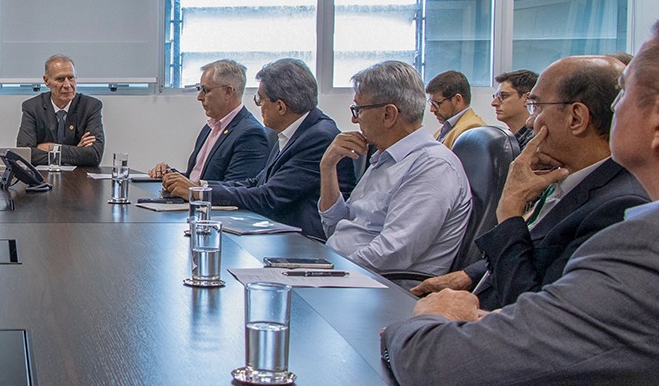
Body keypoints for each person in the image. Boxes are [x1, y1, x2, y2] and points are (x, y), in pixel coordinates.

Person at [381, 32, 659, 386]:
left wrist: (431, 319)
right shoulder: (568, 183)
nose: (530, 120)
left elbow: (439, 364)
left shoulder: (633, 226)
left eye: (624, 94)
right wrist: (471, 275)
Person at [411, 56, 646, 308]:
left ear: (576, 118)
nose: (530, 121)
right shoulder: (569, 177)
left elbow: (529, 307)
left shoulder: (618, 208)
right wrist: (471, 274)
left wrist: (510, 212)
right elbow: (534, 248)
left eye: (535, 106)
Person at [319, 61, 472, 276]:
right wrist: (327, 168)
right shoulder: (385, 157)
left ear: (389, 114)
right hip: (347, 273)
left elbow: (391, 254)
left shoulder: (433, 166)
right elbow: (336, 228)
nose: (354, 119)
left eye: (358, 110)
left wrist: (327, 272)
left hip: (381, 288)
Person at [207, 59, 355, 240]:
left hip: (307, 244)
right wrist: (201, 187)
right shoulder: (294, 130)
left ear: (280, 106)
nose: (258, 105)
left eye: (260, 99)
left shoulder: (318, 137)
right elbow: (257, 183)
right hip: (284, 235)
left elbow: (269, 197)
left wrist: (202, 193)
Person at [150, 59, 269, 198]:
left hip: (213, 215)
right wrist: (170, 175)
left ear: (228, 92)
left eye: (205, 90)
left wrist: (192, 190)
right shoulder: (210, 127)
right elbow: (195, 178)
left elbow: (237, 192)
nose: (199, 97)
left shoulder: (250, 134)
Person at [16, 55, 104, 167]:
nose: (67, 85)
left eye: (71, 78)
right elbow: (25, 154)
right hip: (43, 179)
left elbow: (94, 155)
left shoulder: (90, 106)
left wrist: (52, 148)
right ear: (46, 81)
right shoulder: (32, 107)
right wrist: (76, 151)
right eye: (60, 79)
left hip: (80, 179)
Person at [426, 70, 486, 148]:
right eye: (431, 103)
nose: (432, 109)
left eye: (437, 103)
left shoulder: (471, 129)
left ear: (458, 99)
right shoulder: (449, 126)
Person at [491, 69, 538, 149]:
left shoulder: (537, 143)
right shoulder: (504, 140)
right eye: (495, 97)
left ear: (527, 99)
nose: (494, 103)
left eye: (503, 96)